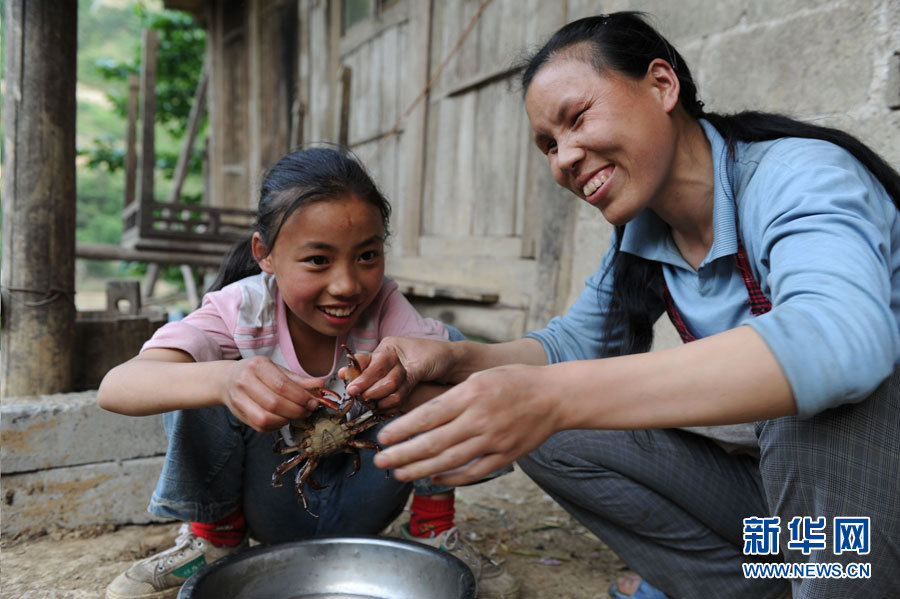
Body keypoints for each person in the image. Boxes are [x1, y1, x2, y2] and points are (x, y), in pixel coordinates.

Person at [342, 12, 900, 599]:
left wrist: (551, 396)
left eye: (577, 118)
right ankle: (768, 584)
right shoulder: (645, 237)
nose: (564, 158)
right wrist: (454, 361)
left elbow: (839, 340)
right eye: (549, 145)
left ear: (662, 85)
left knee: (812, 407)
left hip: (868, 494)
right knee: (548, 433)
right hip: (795, 522)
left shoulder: (798, 175)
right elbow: (566, 350)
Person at [97, 147, 518, 599]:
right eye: (318, 260)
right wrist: (226, 381)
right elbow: (116, 387)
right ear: (266, 254)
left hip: (368, 496)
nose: (347, 285)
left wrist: (399, 387)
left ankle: (432, 528)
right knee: (202, 372)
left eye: (368, 256)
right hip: (270, 503)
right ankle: (214, 539)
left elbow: (467, 386)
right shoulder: (240, 310)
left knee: (441, 350)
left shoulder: (387, 310)